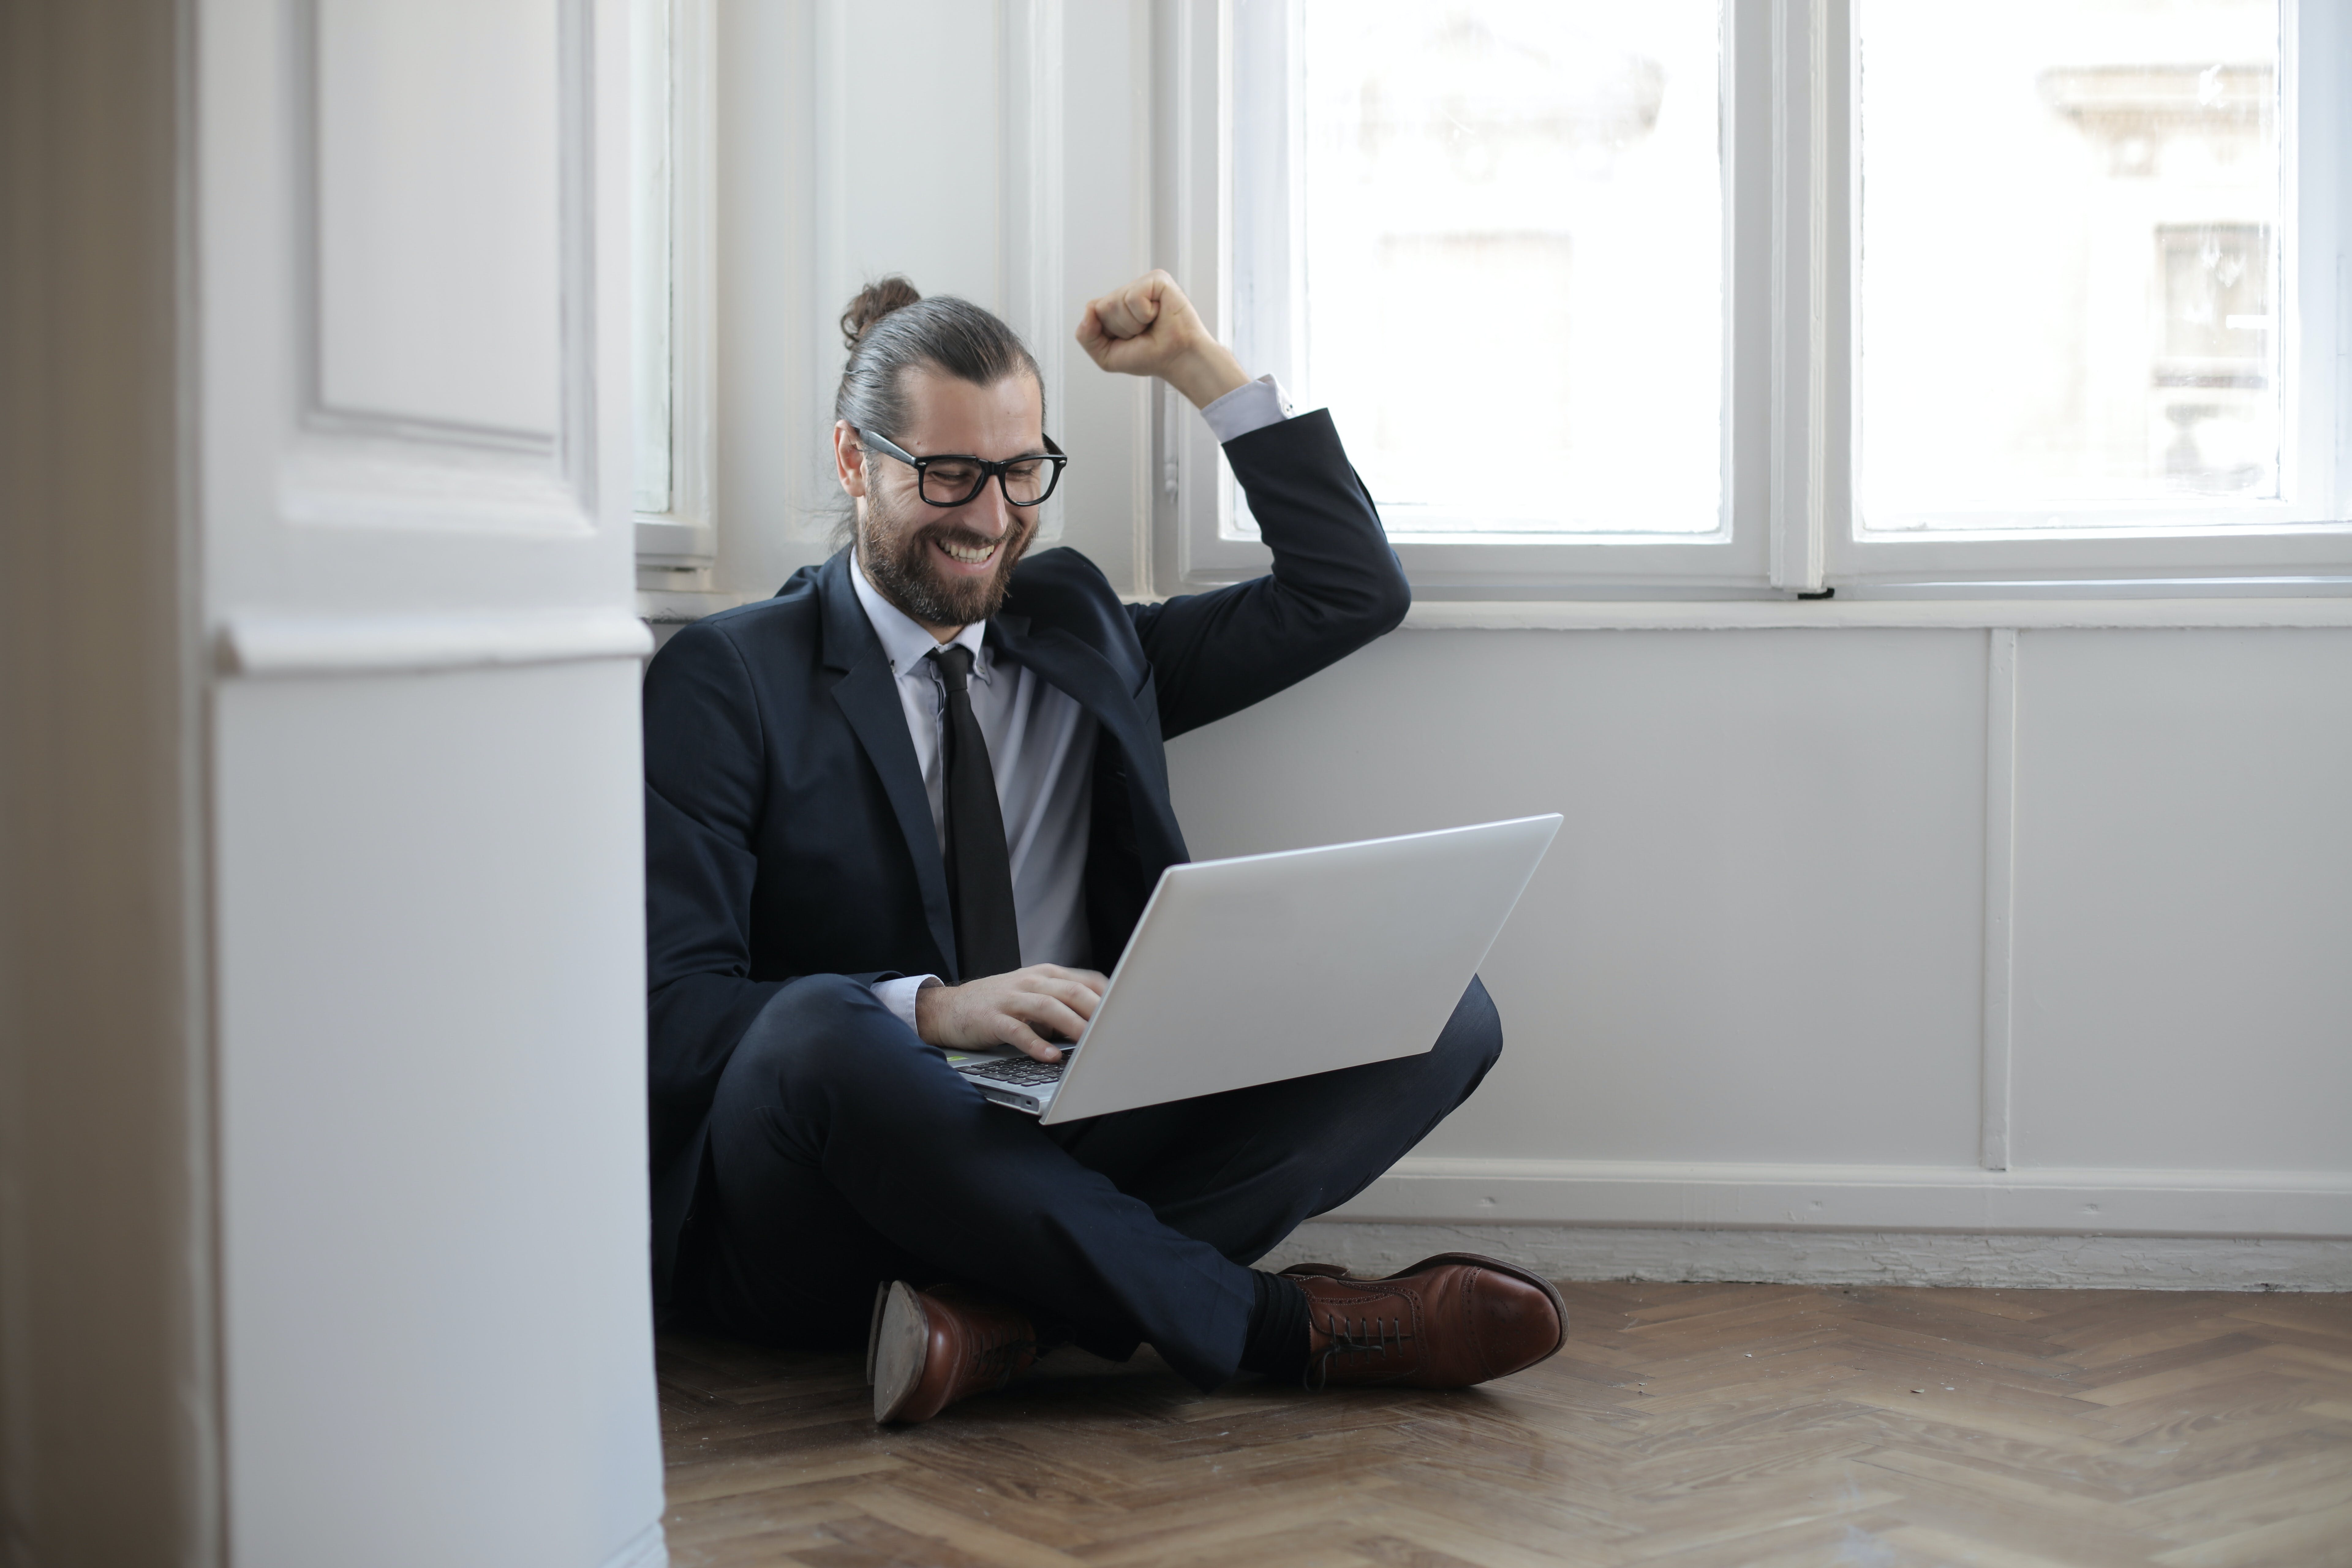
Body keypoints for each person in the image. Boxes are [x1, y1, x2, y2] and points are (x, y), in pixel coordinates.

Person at [642, 270, 1566, 1423]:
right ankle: (1276, 1328)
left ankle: (1000, 1324)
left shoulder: (1073, 628)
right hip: (843, 1179)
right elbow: (673, 1014)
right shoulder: (731, 679)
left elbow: (1350, 590)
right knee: (819, 1027)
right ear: (853, 461)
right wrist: (932, 1009)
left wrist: (1200, 371)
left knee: (1442, 1007)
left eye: (1021, 472)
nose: (989, 519)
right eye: (947, 476)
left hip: (1072, 1120)